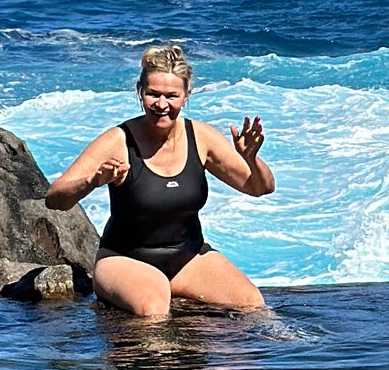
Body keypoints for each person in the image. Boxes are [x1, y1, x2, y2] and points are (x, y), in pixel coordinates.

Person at [45, 41, 273, 318]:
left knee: (253, 306)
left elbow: (259, 188)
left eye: (171, 96)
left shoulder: (201, 137)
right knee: (153, 311)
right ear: (140, 93)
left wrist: (251, 159)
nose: (162, 105)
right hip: (124, 260)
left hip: (189, 258)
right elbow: (54, 198)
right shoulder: (119, 140)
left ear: (186, 95)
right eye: (153, 94)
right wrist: (92, 181)